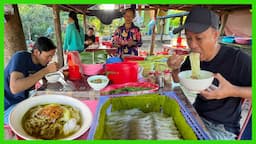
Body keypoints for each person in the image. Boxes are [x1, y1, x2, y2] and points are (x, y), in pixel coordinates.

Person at [167, 7, 251, 139]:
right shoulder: (193, 57)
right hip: (196, 115)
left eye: (199, 38)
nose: (192, 45)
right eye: (189, 38)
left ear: (215, 35)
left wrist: (232, 91)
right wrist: (174, 68)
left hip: (222, 128)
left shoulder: (238, 59)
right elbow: (178, 79)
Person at [4, 37, 59, 124]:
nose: (50, 60)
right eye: (48, 56)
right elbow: (14, 88)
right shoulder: (20, 57)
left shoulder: (42, 64)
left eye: (52, 56)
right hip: (7, 106)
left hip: (23, 101)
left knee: (53, 111)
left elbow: (45, 82)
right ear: (37, 52)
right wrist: (46, 70)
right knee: (37, 122)